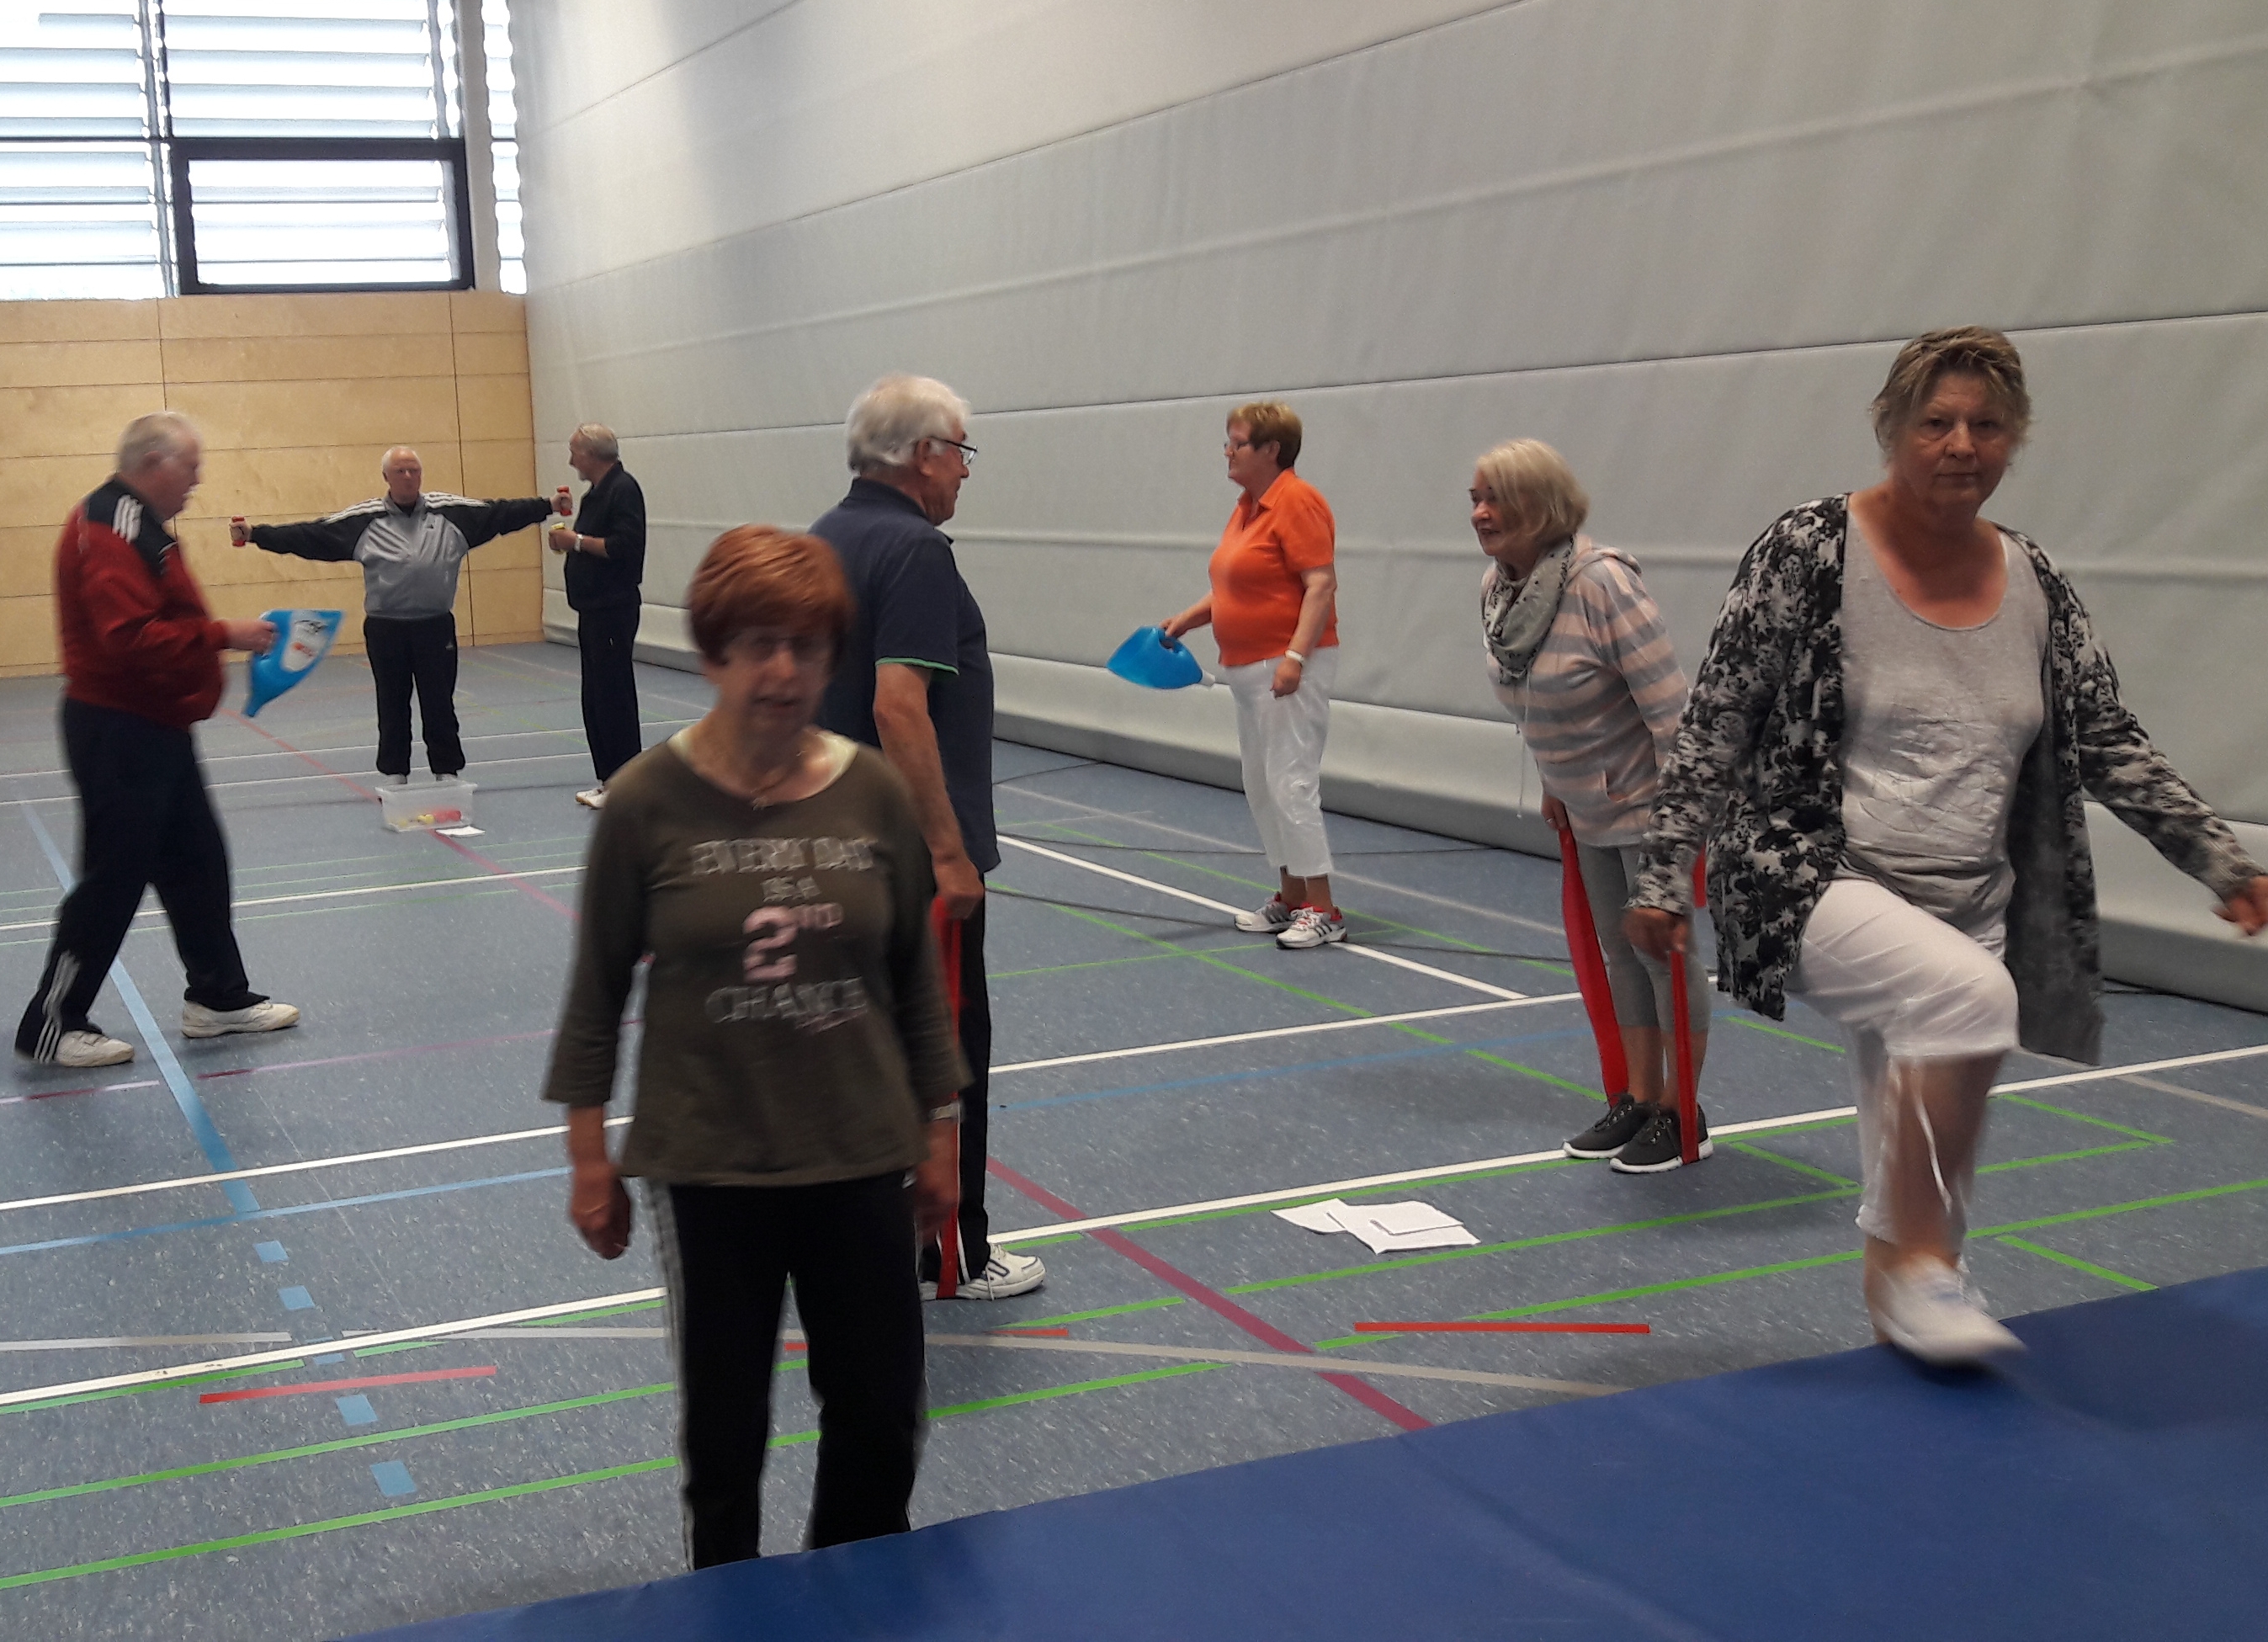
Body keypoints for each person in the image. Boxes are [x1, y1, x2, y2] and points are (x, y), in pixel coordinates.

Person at [1628, 327, 2268, 1363]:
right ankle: (1922, 1268)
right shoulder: (1808, 549)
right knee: (1968, 1004)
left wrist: (2221, 860)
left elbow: (2105, 734)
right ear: (1892, 429)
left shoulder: (2034, 580)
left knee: (1920, 1115)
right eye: (1936, 422)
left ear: (2013, 439)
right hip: (1811, 876)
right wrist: (1664, 871)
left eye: (1985, 425)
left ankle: (1903, 1293)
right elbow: (1717, 717)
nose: (1961, 444)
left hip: (1971, 895)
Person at [544, 525, 966, 1567]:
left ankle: (852, 1600)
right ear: (713, 653)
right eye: (758, 645)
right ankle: (731, 1609)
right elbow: (596, 991)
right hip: (710, 1165)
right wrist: (589, 1156)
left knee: (880, 1416)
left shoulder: (874, 792)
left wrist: (942, 1131)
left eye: (807, 647)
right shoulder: (646, 801)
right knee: (725, 1437)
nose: (782, 672)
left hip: (859, 1153)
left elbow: (915, 979)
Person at [812, 373, 1044, 1303]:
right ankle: (949, 1253)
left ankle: (858, 1236)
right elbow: (897, 705)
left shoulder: (822, 538)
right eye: (960, 451)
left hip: (835, 846)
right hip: (907, 859)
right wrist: (948, 851)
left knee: (857, 1050)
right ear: (921, 455)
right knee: (944, 1052)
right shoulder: (914, 551)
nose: (965, 471)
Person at [15, 412, 300, 1068]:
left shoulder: (142, 524)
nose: (197, 480)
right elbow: (128, 638)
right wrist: (222, 634)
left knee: (197, 861)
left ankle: (217, 997)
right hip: (118, 729)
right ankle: (52, 1022)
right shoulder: (109, 527)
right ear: (153, 463)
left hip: (158, 727)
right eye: (190, 467)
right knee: (112, 878)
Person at [1469, 439, 1712, 1172]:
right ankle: (1639, 1096)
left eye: (1494, 498)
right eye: (1474, 499)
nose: (1479, 513)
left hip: (1646, 806)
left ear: (1540, 505)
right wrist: (1553, 779)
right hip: (1583, 805)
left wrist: (1676, 833)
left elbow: (1672, 717)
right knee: (1620, 957)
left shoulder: (1604, 584)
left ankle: (1682, 1112)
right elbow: (1533, 699)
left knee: (1663, 958)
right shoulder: (1498, 591)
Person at [235, 448, 556, 784]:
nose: (408, 477)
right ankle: (395, 773)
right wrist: (256, 534)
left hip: (435, 627)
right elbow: (309, 535)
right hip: (385, 629)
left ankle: (446, 771)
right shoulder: (364, 520)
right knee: (392, 704)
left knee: (439, 703)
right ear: (386, 477)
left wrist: (547, 506)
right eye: (400, 471)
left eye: (414, 470)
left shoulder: (452, 513)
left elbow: (501, 513)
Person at [1162, 401, 1344, 949]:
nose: (1227, 452)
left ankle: (1325, 909)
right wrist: (1187, 620)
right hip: (1245, 668)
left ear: (1271, 449)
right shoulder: (1246, 507)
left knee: (1291, 784)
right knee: (1262, 785)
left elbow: (1320, 584)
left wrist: (1295, 657)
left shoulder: (1297, 501)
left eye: (1237, 443)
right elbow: (1232, 588)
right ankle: (1290, 896)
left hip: (1285, 668)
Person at [548, 422, 647, 809]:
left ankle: (625, 783)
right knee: (596, 698)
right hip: (592, 610)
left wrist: (575, 541)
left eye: (575, 452)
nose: (571, 460)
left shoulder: (624, 490)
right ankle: (608, 780)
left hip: (613, 609)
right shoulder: (596, 494)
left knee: (613, 697)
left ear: (591, 454)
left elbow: (624, 547)